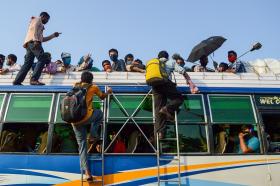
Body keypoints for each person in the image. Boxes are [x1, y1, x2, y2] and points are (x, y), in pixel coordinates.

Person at [71, 71, 112, 182]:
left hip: (74, 121)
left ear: (81, 79)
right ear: (91, 80)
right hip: (86, 117)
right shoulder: (93, 87)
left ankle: (87, 173)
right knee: (99, 113)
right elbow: (103, 97)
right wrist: (108, 91)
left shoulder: (75, 85)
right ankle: (93, 135)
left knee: (82, 146)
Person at [151, 51, 199, 138]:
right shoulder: (171, 62)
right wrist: (190, 82)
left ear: (158, 57)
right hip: (165, 83)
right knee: (179, 99)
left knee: (158, 109)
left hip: (155, 86)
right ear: (167, 57)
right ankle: (167, 109)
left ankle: (160, 133)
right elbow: (182, 71)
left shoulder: (153, 63)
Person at [13, 12, 61, 85]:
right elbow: (35, 29)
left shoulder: (39, 26)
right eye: (47, 19)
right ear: (42, 16)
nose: (47, 21)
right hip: (34, 43)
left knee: (28, 63)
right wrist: (35, 40)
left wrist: (53, 35)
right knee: (42, 58)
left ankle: (17, 81)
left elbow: (42, 39)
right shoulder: (37, 20)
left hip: (30, 43)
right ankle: (34, 79)